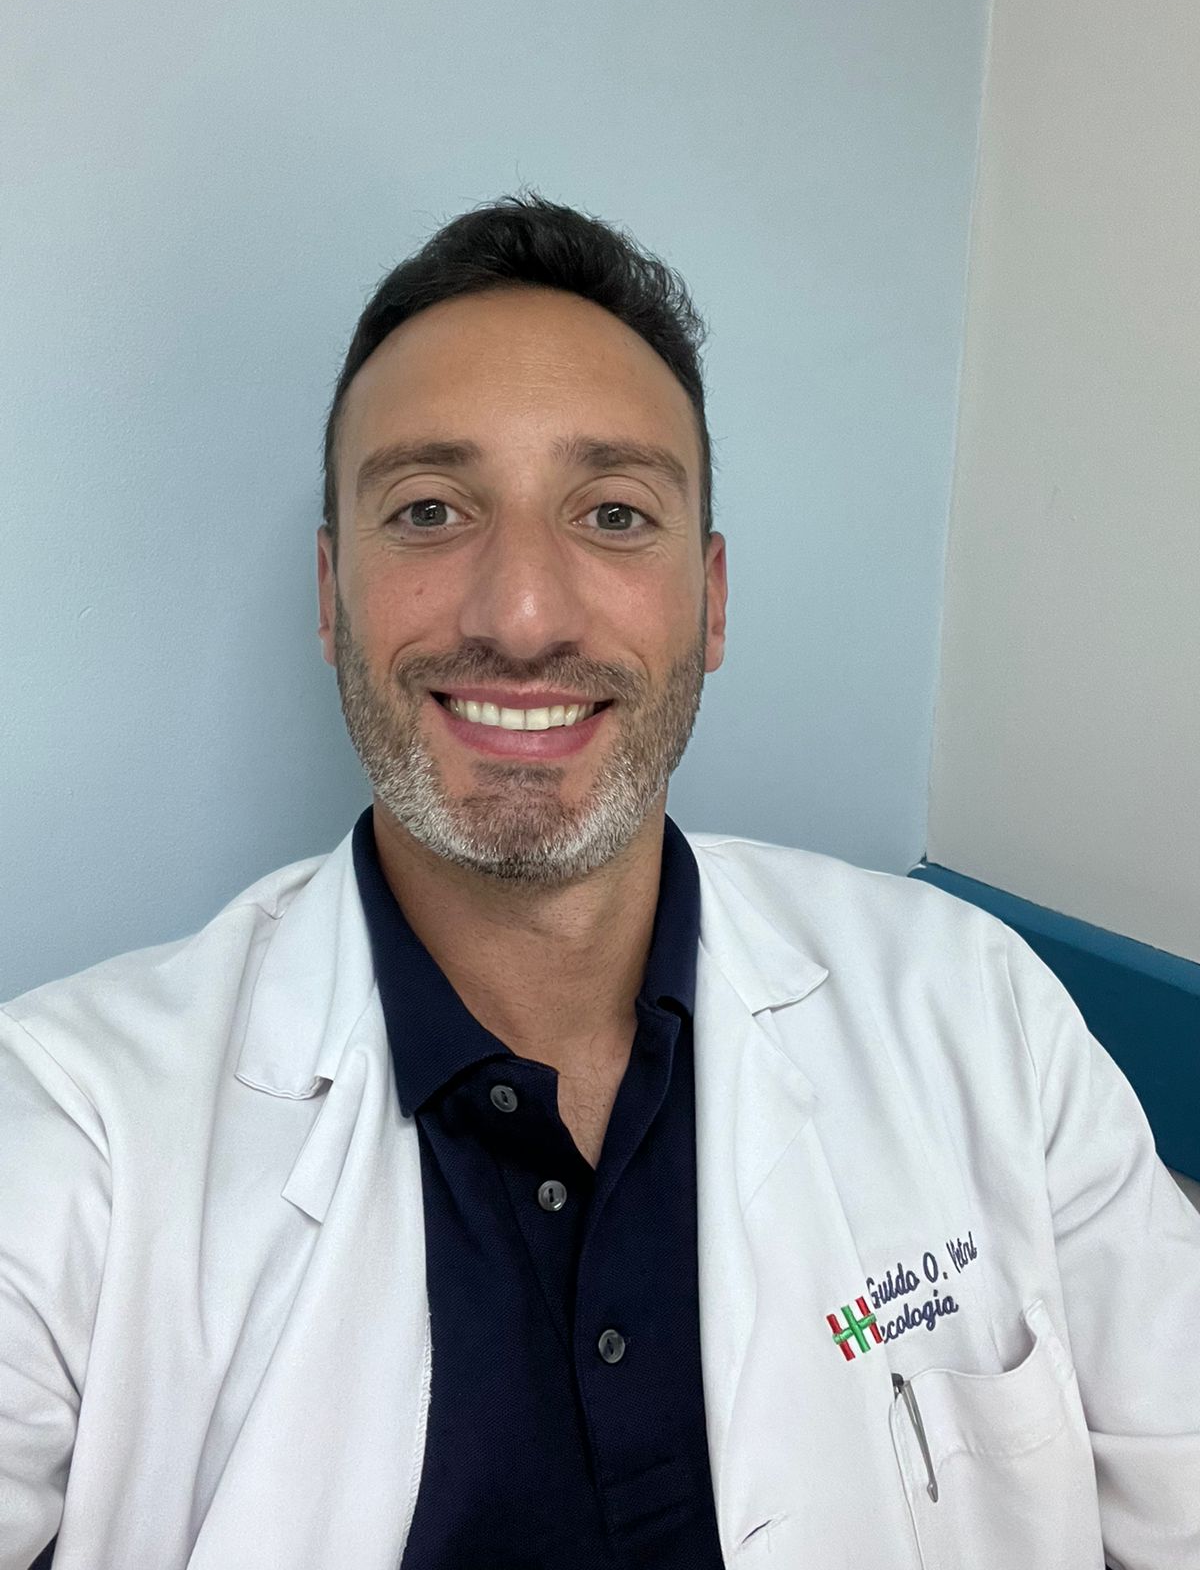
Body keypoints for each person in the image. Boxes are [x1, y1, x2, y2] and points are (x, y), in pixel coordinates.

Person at [1, 193, 1197, 1570]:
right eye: (430, 510)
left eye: (615, 513)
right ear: (332, 596)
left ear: (713, 600)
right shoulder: (75, 1133)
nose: (523, 616)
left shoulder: (975, 1010)